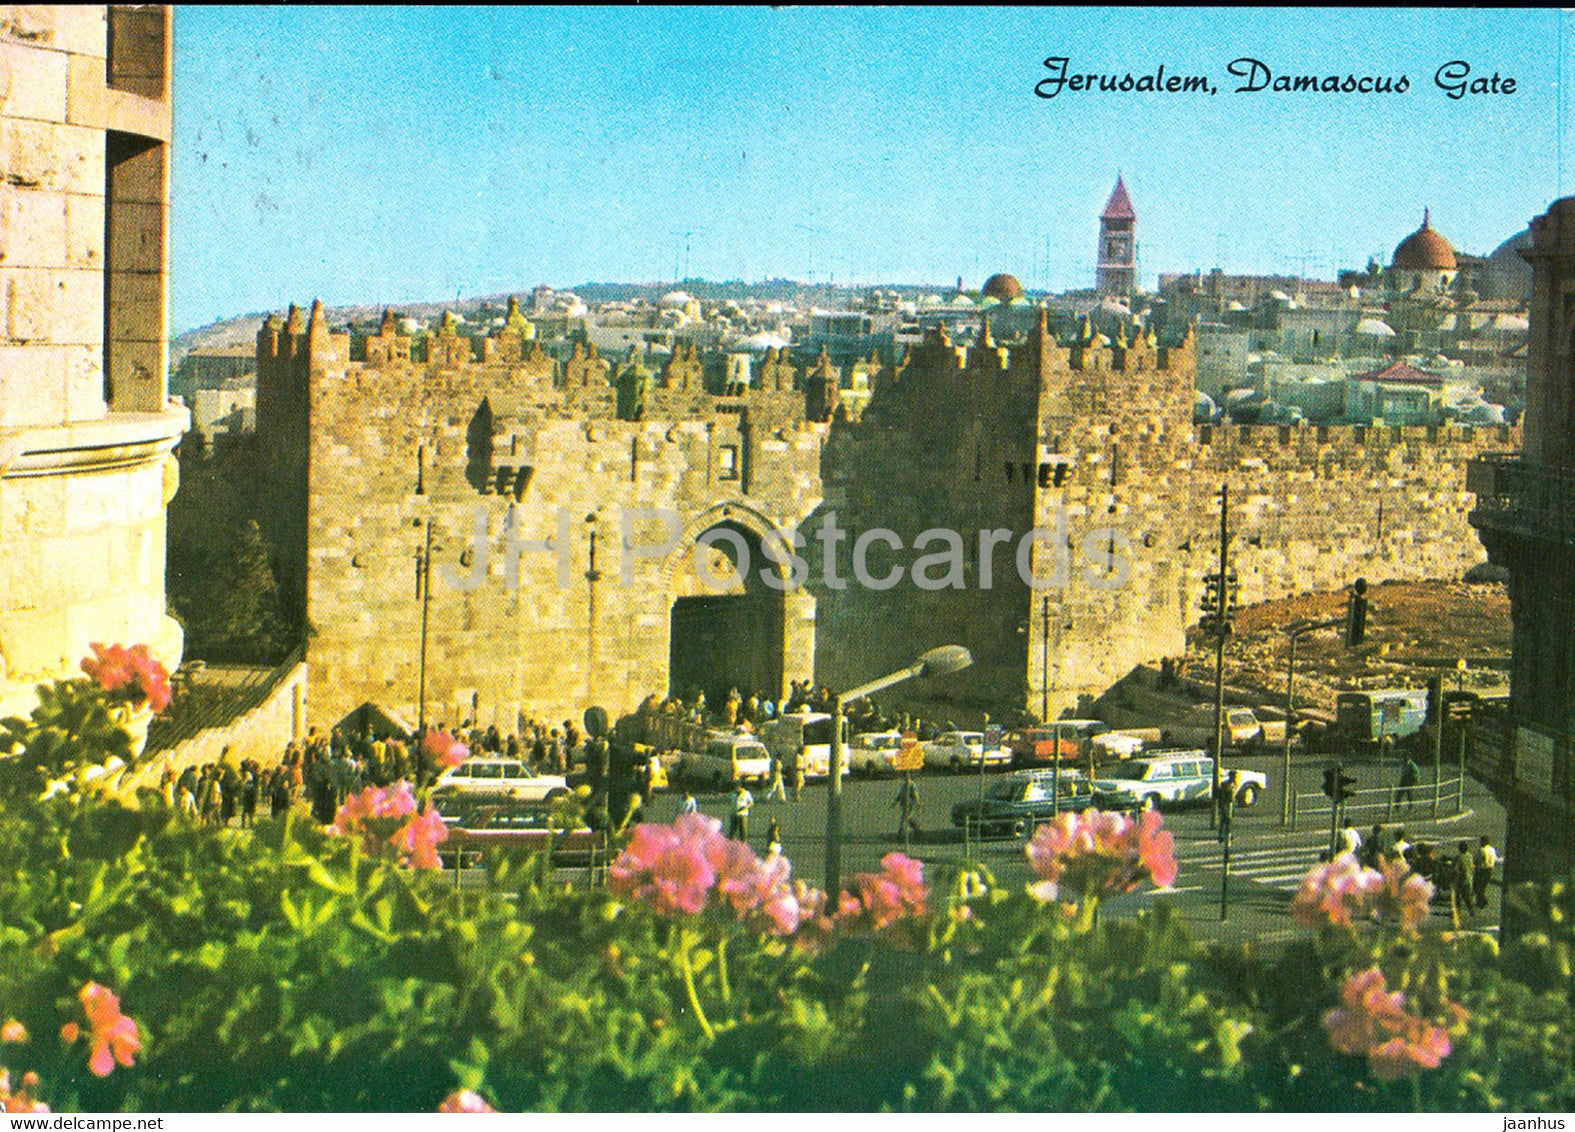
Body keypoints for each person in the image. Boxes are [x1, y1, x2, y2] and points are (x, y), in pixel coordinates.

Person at [1476, 836, 1499, 910]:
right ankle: (1483, 900)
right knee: (1483, 886)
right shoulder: (1492, 849)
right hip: (1489, 870)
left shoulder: (1482, 850)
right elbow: (1495, 859)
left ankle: (1481, 902)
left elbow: (1478, 860)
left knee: (1478, 887)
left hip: (1482, 870)